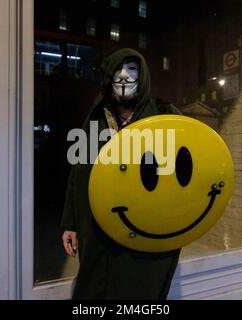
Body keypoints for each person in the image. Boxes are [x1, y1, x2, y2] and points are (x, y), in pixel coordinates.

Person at [61, 48, 182, 300]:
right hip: (98, 226)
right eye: (118, 70)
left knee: (140, 288)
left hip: (146, 226)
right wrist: (70, 223)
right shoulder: (95, 119)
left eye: (133, 70)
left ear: (144, 76)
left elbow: (185, 169)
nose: (125, 77)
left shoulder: (165, 115)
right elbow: (78, 173)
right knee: (96, 286)